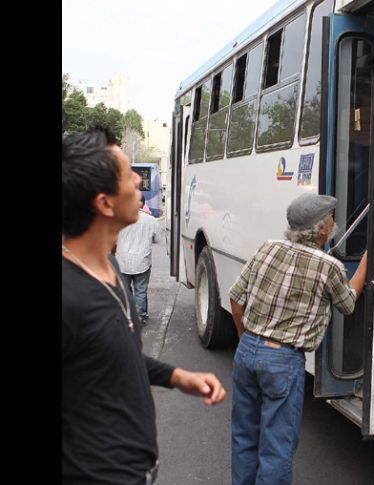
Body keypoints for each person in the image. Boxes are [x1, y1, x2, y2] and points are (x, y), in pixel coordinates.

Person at [62, 128, 227, 484]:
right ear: (105, 204)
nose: (139, 179)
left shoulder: (110, 268)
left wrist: (177, 377)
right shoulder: (68, 296)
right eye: (127, 174)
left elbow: (116, 356)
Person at [229, 193, 368, 485]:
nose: (334, 222)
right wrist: (367, 261)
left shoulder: (268, 248)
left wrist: (244, 338)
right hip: (282, 360)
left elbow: (235, 297)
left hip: (248, 350)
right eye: (331, 218)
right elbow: (348, 303)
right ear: (322, 228)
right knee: (276, 447)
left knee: (244, 436)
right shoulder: (328, 266)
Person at [116, 193, 162, 323]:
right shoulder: (151, 220)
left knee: (125, 290)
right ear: (143, 203)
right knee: (141, 290)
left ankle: (127, 315)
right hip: (142, 261)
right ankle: (141, 316)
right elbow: (157, 239)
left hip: (122, 261)